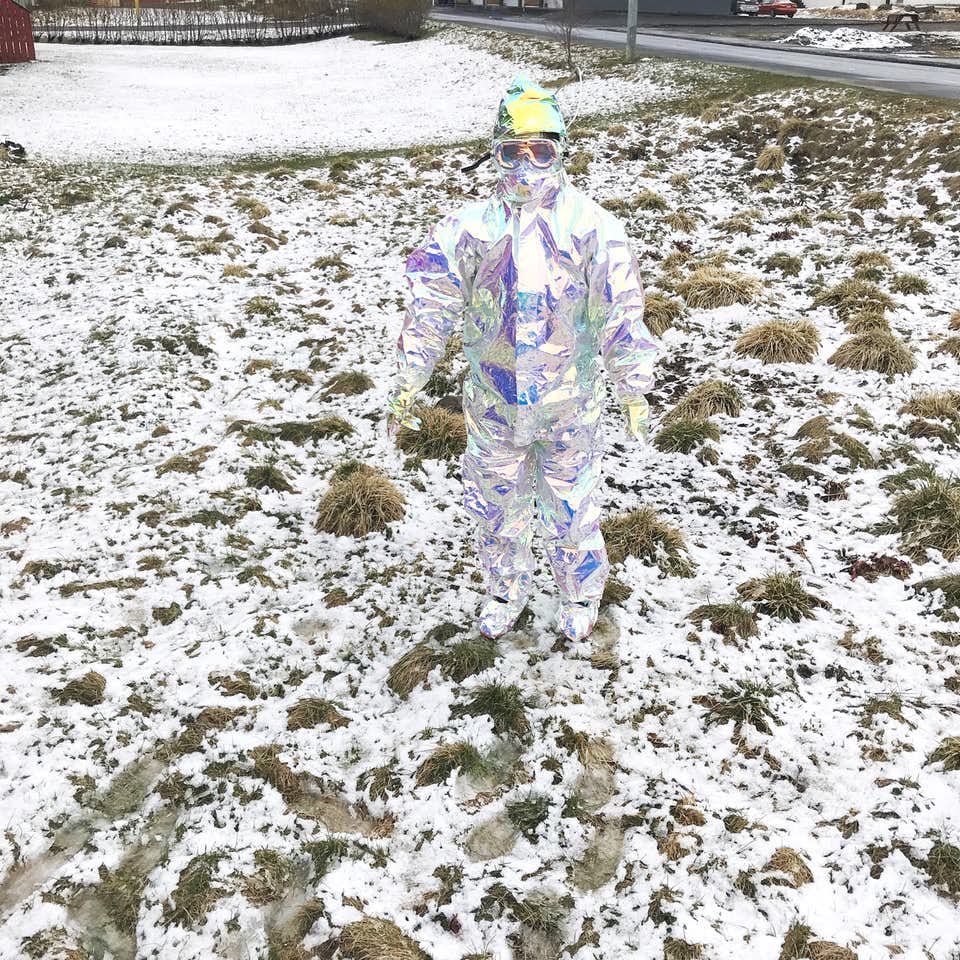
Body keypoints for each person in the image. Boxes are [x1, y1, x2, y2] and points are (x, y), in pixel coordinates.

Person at [385, 73, 660, 642]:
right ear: (494, 154)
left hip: (568, 404)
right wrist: (409, 378)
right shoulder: (468, 230)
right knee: (495, 507)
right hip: (494, 404)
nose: (525, 166)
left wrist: (633, 388)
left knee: (571, 506)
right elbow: (431, 305)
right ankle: (504, 590)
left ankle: (578, 594)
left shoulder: (592, 228)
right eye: (512, 151)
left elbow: (620, 310)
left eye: (540, 151)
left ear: (561, 153)